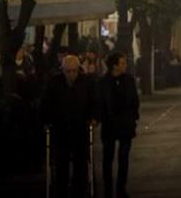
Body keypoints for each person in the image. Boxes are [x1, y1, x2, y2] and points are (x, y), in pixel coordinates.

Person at [40, 54, 95, 198]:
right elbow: (46, 104)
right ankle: (61, 192)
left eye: (74, 71)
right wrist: (46, 121)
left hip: (80, 128)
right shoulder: (54, 83)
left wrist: (94, 118)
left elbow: (93, 102)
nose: (72, 74)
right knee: (61, 165)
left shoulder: (86, 82)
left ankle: (80, 192)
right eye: (68, 71)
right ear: (62, 70)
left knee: (81, 164)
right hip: (61, 129)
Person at [98, 51, 139, 198]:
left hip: (125, 124)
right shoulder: (103, 82)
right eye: (122, 63)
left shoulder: (129, 80)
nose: (125, 66)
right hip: (109, 124)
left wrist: (134, 117)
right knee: (107, 158)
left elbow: (134, 100)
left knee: (124, 158)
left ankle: (121, 189)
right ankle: (108, 189)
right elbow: (100, 102)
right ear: (114, 65)